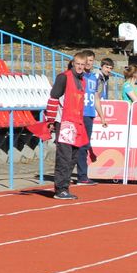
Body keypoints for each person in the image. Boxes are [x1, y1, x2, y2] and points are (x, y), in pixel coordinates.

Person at [45, 52, 89, 200]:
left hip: (77, 123)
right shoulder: (63, 77)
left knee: (74, 156)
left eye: (82, 65)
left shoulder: (82, 80)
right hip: (64, 122)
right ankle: (60, 189)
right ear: (73, 63)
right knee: (64, 156)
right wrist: (50, 120)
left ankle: (64, 186)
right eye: (78, 64)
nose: (80, 67)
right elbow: (53, 98)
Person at [75, 50, 108, 185]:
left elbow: (96, 98)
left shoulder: (94, 78)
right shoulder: (78, 76)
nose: (89, 63)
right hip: (78, 114)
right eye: (87, 60)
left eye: (91, 60)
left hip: (89, 114)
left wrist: (102, 116)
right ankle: (80, 175)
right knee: (79, 145)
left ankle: (82, 175)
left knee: (85, 145)